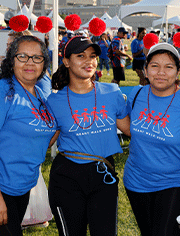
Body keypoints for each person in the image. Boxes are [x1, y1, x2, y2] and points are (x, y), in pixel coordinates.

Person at [0, 35, 57, 235]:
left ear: (44, 63)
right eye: (22, 56)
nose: (30, 63)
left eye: (37, 58)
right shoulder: (1, 93)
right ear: (11, 59)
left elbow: (46, 137)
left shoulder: (40, 96)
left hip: (21, 185)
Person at [124, 43, 180, 236]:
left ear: (178, 71)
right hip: (136, 182)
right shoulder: (136, 96)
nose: (161, 72)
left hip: (174, 183)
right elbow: (131, 128)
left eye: (169, 67)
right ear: (145, 70)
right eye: (154, 66)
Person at [48, 36, 130, 235]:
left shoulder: (112, 92)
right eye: (81, 56)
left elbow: (131, 130)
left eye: (93, 56)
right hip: (66, 176)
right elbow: (43, 142)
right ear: (66, 61)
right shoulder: (54, 101)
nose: (89, 61)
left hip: (104, 174)